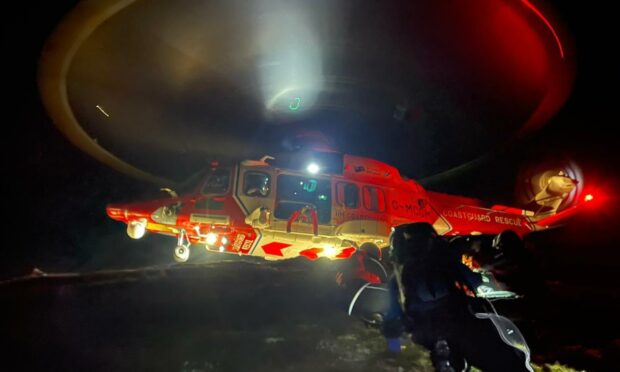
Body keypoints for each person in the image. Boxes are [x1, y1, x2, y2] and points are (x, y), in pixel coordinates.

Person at [382, 223, 532, 372]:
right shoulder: (445, 264)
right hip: (459, 325)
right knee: (504, 361)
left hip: (424, 338)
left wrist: (395, 352)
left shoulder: (396, 280)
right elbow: (475, 280)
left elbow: (392, 320)